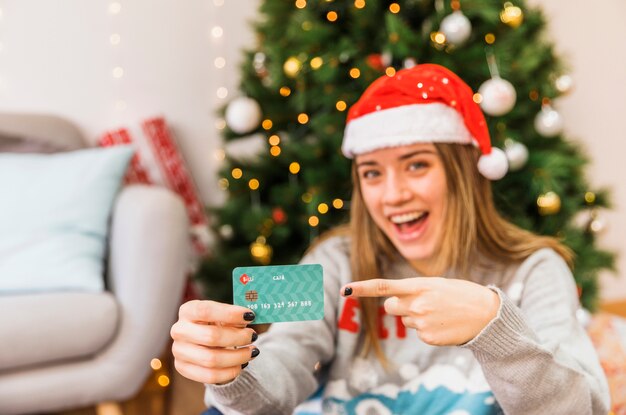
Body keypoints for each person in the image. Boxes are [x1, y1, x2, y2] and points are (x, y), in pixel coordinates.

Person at [170, 64, 609, 415]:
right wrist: (231, 373)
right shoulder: (335, 260)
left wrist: (494, 330)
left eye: (417, 165)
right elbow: (283, 360)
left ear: (465, 175)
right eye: (372, 173)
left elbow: (581, 410)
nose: (394, 195)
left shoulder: (534, 269)